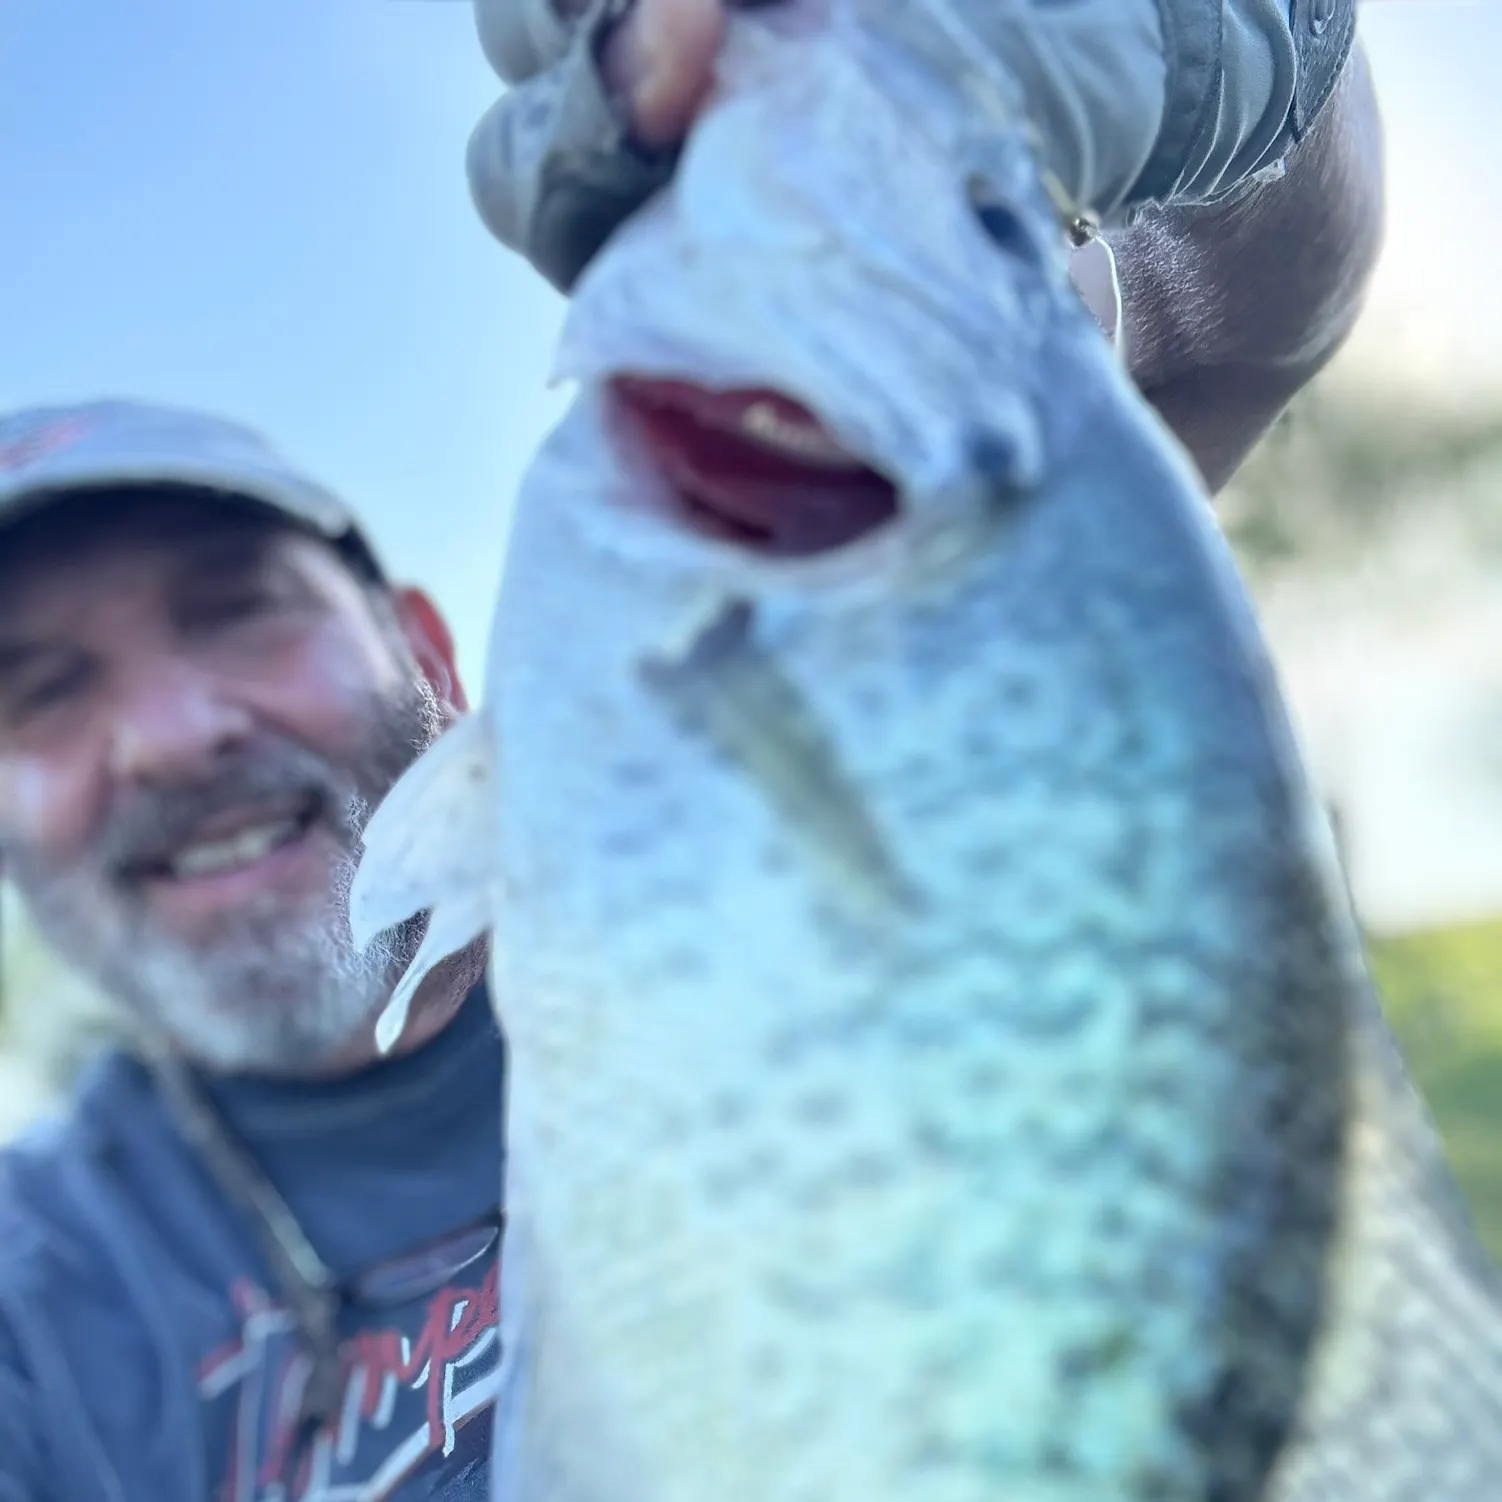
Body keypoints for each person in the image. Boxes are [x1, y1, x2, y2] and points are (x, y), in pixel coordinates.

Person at [0, 0, 1381, 1498]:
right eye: (37, 690)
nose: (166, 733)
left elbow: (1241, 314)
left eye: (237, 610)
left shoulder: (884, 626)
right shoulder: (42, 1307)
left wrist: (1073, 89)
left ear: (436, 653)